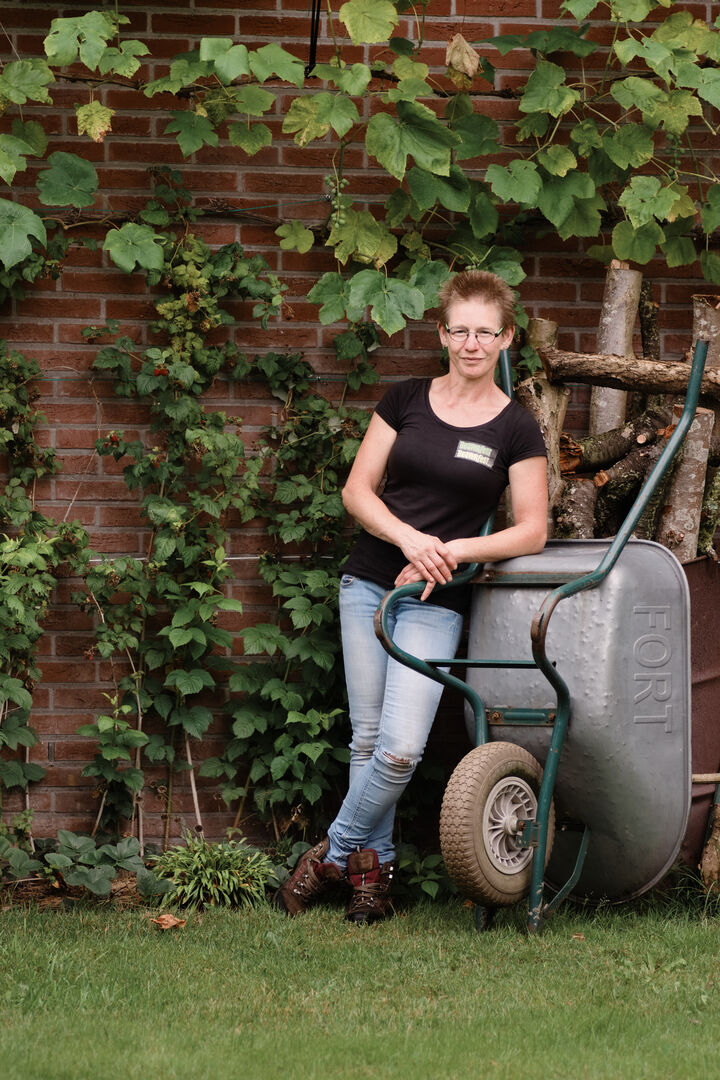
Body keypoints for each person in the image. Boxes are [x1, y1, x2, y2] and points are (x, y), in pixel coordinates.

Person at [274, 269, 548, 923]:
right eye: (460, 329)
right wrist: (413, 537)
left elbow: (532, 529)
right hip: (369, 580)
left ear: (506, 338)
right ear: (442, 333)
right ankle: (375, 882)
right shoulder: (405, 400)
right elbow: (357, 491)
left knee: (399, 749)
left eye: (486, 331)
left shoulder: (515, 428)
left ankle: (330, 856)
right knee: (367, 741)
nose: (472, 343)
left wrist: (449, 553)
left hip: (434, 598)